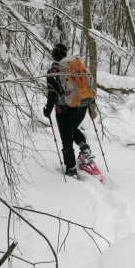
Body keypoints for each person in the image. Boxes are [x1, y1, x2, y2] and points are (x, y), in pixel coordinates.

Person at [43, 43, 95, 178]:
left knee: (66, 139)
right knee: (72, 130)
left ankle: (71, 169)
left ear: (54, 55)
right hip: (82, 106)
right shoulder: (74, 66)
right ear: (65, 54)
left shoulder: (54, 71)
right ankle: (84, 148)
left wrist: (47, 110)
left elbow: (52, 94)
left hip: (65, 110)